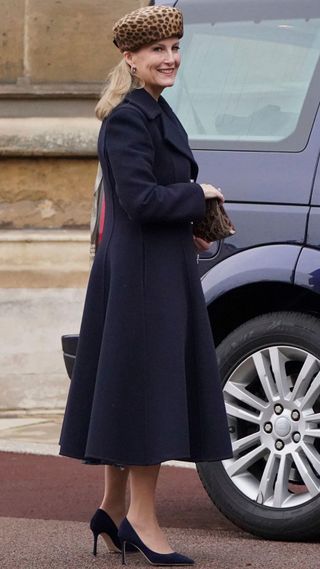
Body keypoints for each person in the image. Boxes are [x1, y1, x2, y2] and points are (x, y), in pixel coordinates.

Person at [59, 5, 232, 566]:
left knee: (130, 390)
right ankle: (141, 519)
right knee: (148, 396)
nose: (171, 58)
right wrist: (199, 195)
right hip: (139, 279)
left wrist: (192, 232)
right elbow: (138, 199)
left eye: (176, 47)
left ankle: (111, 510)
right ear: (130, 59)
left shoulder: (156, 111)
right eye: (158, 50)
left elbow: (148, 202)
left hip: (152, 266)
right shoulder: (128, 119)